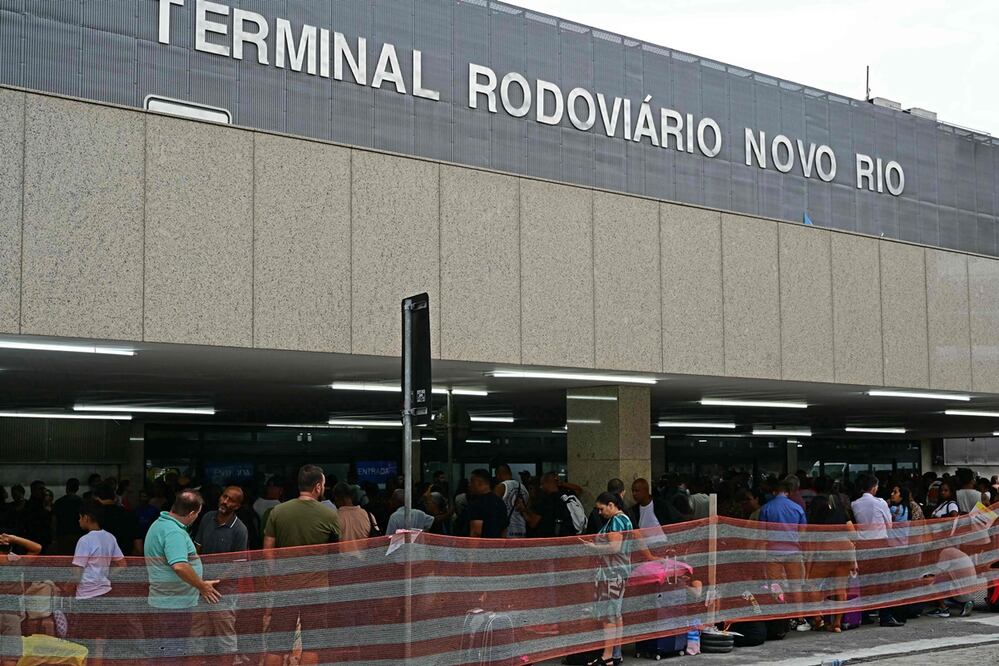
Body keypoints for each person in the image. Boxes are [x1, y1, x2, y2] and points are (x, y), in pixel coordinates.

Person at [262, 465, 339, 666]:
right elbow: (335, 554)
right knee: (313, 644)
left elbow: (267, 549)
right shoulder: (329, 515)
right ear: (318, 486)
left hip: (284, 587)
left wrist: (274, 575)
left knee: (277, 644)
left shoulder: (278, 511)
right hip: (317, 588)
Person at [144, 490, 221, 661]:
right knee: (173, 654)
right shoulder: (174, 532)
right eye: (198, 514)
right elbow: (179, 566)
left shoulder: (159, 525)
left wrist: (197, 581)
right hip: (174, 606)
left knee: (161, 654)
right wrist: (202, 586)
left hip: (163, 602)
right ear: (192, 513)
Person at [191, 486, 247, 665]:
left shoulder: (240, 529)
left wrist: (214, 582)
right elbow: (196, 549)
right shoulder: (207, 518)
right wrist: (198, 579)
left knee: (225, 637)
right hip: (200, 587)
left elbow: (238, 565)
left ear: (237, 506)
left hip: (223, 592)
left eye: (231, 500)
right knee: (196, 636)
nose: (225, 501)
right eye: (224, 496)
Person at [66, 500, 124, 662]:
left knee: (82, 641)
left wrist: (67, 587)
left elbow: (77, 572)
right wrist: (104, 576)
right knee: (99, 640)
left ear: (87, 517)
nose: (78, 521)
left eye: (80, 517)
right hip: (105, 593)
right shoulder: (110, 537)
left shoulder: (85, 540)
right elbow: (122, 564)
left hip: (86, 596)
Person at [581, 492, 633, 666]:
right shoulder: (625, 519)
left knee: (608, 616)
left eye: (601, 509)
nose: (600, 513)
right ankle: (615, 654)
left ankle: (607, 656)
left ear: (611, 505)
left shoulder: (617, 521)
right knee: (616, 615)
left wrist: (593, 547)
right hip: (619, 573)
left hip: (612, 573)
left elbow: (614, 547)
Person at [851, 474, 904, 627]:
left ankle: (866, 614)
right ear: (874, 487)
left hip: (863, 545)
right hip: (879, 543)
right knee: (883, 581)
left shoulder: (855, 504)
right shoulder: (880, 502)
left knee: (866, 580)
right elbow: (890, 525)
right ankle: (885, 616)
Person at [759, 480, 809, 630]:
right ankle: (799, 618)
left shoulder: (766, 508)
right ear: (788, 492)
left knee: (775, 586)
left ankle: (780, 619)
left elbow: (762, 532)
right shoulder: (797, 508)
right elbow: (804, 531)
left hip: (773, 552)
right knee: (796, 587)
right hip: (793, 551)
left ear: (774, 492)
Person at [0, 532, 42, 666]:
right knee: (10, 659)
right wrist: (13, 538)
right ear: (11, 549)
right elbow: (37, 548)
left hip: (11, 614)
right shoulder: (17, 563)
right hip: (11, 614)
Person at [96, 481, 142, 556]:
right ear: (114, 497)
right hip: (126, 560)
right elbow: (139, 548)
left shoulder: (95, 518)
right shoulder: (130, 514)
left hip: (102, 563)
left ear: (96, 498)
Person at [464, 469, 508, 539]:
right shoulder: (500, 502)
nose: (469, 485)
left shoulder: (476, 504)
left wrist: (472, 549)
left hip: (482, 547)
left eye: (472, 481)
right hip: (497, 546)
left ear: (479, 482)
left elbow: (476, 533)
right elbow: (504, 530)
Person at [494, 464, 528, 539]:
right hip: (522, 530)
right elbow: (527, 509)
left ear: (498, 475)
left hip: (506, 532)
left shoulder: (500, 487)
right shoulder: (524, 488)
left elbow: (493, 509)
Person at [53, 478, 84, 555]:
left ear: (67, 487)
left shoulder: (59, 502)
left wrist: (54, 536)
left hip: (63, 535)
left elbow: (54, 521)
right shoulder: (82, 502)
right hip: (79, 535)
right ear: (77, 488)